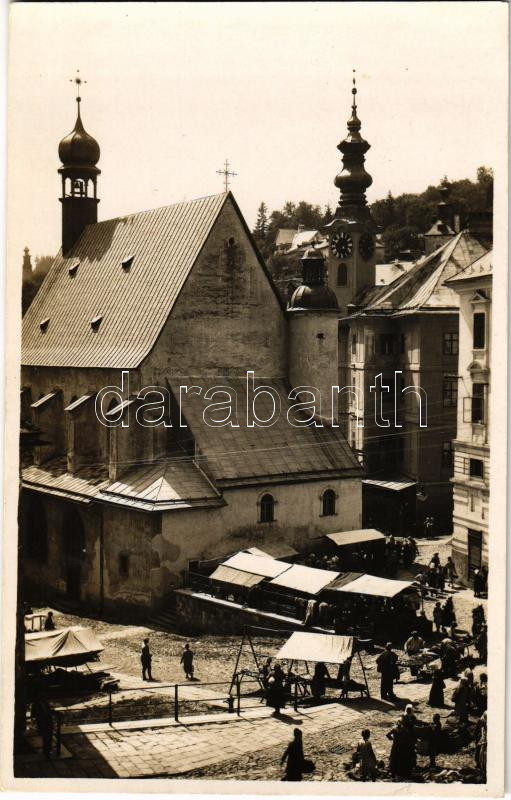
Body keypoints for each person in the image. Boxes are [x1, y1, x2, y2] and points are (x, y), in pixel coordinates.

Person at [475, 711, 487, 780]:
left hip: (484, 743)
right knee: (480, 755)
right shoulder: (482, 721)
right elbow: (478, 731)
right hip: (481, 741)